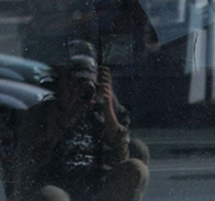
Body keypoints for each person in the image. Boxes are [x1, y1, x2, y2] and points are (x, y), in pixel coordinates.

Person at [9, 54, 149, 201]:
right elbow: (30, 163)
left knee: (137, 167)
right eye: (74, 84)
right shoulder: (41, 114)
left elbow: (120, 158)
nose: (81, 91)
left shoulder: (102, 112)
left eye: (87, 84)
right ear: (62, 85)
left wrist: (107, 108)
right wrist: (65, 119)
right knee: (53, 196)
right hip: (57, 186)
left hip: (95, 188)